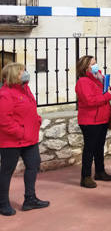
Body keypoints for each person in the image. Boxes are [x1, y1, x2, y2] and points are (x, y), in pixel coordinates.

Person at [0, 63, 49, 216]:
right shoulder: (5, 94)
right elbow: (4, 120)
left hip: (29, 138)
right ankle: (2, 203)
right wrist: (21, 132)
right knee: (7, 171)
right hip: (12, 141)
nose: (25, 73)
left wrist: (37, 119)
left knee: (33, 165)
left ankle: (30, 199)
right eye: (22, 71)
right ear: (14, 75)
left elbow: (30, 109)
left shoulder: (25, 89)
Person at [75, 55, 111, 188]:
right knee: (90, 149)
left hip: (102, 118)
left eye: (96, 63)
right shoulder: (83, 82)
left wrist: (109, 91)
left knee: (99, 147)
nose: (96, 66)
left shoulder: (98, 78)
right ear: (85, 67)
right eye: (93, 64)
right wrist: (107, 96)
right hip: (90, 121)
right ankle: (85, 176)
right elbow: (90, 101)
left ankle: (100, 171)